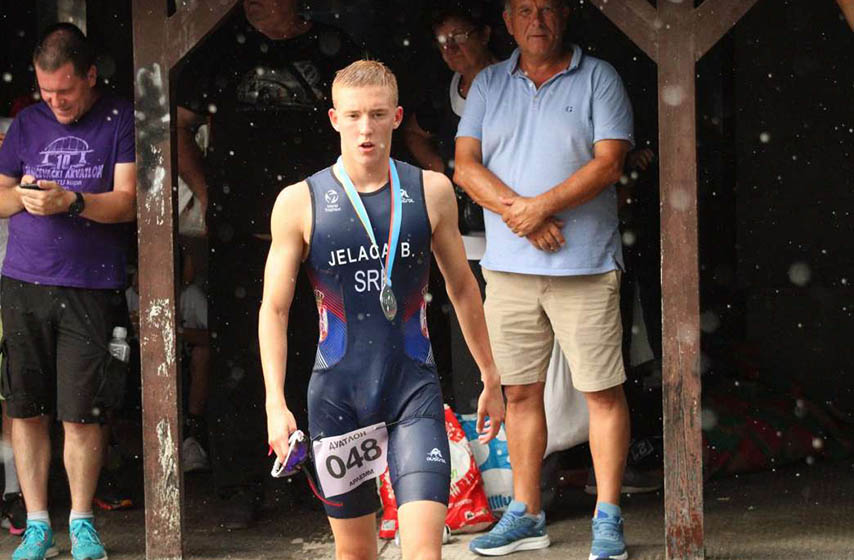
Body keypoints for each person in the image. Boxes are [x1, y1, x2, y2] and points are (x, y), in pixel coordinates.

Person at [260, 60, 505, 560]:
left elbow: (462, 287)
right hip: (337, 398)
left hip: (412, 392)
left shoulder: (431, 190)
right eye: (352, 116)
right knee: (357, 554)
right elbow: (274, 309)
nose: (365, 128)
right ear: (333, 119)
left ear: (397, 116)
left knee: (424, 553)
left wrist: (490, 375)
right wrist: (273, 400)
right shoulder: (299, 201)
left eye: (376, 114)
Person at [455, 1, 634, 558]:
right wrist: (523, 215)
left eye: (548, 9)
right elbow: (464, 166)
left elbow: (609, 162)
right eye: (525, 10)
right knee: (520, 393)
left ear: (564, 17)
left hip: (585, 265)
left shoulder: (599, 77)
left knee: (601, 392)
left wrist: (540, 207)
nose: (538, 20)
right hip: (509, 270)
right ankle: (527, 513)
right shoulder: (488, 84)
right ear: (507, 22)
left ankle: (608, 517)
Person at [176, 0, 363, 528]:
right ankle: (239, 484)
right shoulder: (219, 43)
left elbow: (364, 124)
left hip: (322, 235)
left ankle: (319, 477)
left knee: (324, 353)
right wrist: (207, 194)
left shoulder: (334, 49)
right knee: (237, 360)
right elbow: (177, 126)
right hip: (243, 235)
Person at [0, 22, 136, 560]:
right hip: (24, 279)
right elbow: (0, 193)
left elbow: (127, 202)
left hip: (91, 283)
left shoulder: (120, 115)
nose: (54, 101)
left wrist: (73, 201)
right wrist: (26, 198)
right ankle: (37, 523)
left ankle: (81, 522)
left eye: (66, 90)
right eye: (46, 91)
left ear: (90, 76)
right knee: (26, 408)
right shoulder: (29, 123)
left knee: (83, 412)